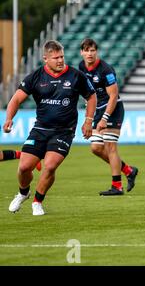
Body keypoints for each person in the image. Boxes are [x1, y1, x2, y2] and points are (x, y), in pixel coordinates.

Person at [3, 40, 96, 215]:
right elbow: (15, 99)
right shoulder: (35, 77)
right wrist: (9, 118)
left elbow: (91, 97)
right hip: (40, 129)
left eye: (62, 56)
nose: (60, 60)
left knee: (50, 165)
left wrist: (88, 121)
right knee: (24, 167)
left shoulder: (76, 76)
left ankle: (37, 201)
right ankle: (23, 193)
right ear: (45, 59)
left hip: (64, 131)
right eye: (55, 58)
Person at [79, 38, 138, 196]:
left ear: (96, 51)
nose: (90, 53)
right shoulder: (81, 67)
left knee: (110, 145)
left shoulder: (105, 69)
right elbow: (87, 94)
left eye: (92, 50)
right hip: (97, 110)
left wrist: (105, 118)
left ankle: (116, 186)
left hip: (113, 109)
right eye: (86, 50)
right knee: (96, 148)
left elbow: (113, 95)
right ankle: (128, 170)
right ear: (81, 52)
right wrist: (88, 118)